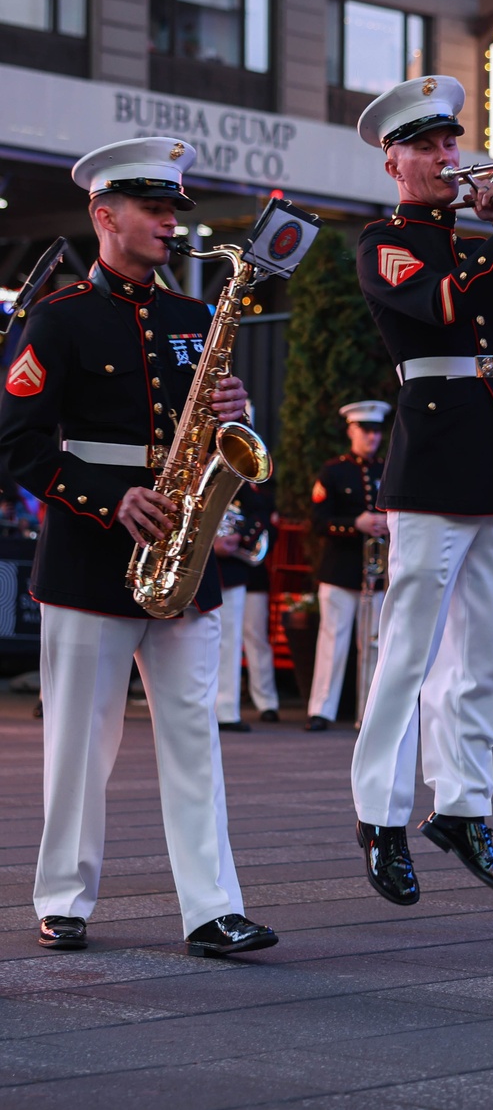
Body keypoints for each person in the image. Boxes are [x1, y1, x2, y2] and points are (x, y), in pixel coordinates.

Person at [0, 137, 278, 956]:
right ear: (102, 214)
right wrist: (107, 497)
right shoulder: (58, 317)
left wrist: (236, 413)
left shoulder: (196, 317)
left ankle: (212, 907)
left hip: (186, 550)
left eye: (173, 209)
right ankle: (62, 896)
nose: (168, 222)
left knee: (195, 735)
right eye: (153, 208)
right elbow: (17, 442)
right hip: (91, 551)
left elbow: (210, 434)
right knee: (81, 743)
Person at [351, 74, 493, 906]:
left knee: (482, 652)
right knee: (408, 650)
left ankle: (464, 804)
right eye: (428, 147)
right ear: (394, 160)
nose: (448, 158)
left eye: (451, 143)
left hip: (490, 451)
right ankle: (380, 812)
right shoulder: (386, 238)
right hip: (433, 449)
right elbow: (444, 305)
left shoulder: (474, 234)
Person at [305, 400, 391, 731]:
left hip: (376, 573)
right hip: (340, 571)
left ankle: (369, 712)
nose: (372, 437)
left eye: (377, 430)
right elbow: (318, 521)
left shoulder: (387, 470)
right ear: (351, 430)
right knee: (332, 641)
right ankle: (321, 711)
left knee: (374, 642)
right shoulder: (334, 471)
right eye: (366, 430)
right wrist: (356, 523)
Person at [214, 487, 279, 731]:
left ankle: (226, 710)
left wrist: (237, 536)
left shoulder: (239, 484)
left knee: (231, 640)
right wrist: (211, 544)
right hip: (193, 566)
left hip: (231, 571)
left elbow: (261, 513)